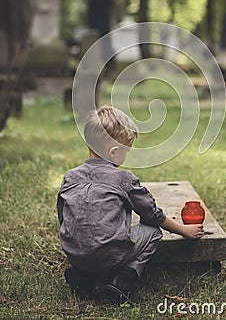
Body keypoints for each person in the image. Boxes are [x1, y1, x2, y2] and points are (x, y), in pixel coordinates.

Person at [57, 105, 204, 306]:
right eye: (127, 150)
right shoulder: (123, 178)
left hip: (75, 254)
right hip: (108, 255)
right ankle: (124, 281)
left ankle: (83, 277)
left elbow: (63, 215)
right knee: (152, 232)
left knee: (94, 248)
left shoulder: (70, 176)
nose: (127, 155)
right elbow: (152, 215)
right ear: (114, 151)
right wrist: (184, 230)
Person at [87, 0, 115, 75]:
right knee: (106, 47)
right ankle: (108, 68)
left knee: (98, 48)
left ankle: (102, 67)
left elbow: (91, 12)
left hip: (96, 26)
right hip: (105, 26)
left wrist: (91, 25)